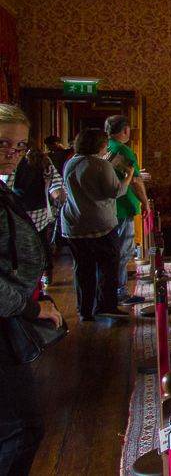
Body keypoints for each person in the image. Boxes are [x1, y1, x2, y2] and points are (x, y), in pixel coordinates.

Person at [0, 104, 63, 476]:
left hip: (10, 314)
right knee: (22, 430)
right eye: (4, 143)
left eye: (20, 146)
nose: (13, 153)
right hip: (7, 315)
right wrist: (30, 307)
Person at [61, 128, 132, 321]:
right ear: (98, 145)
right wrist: (129, 176)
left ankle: (84, 310)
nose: (107, 146)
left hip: (73, 224)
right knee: (108, 266)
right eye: (105, 143)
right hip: (99, 225)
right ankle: (105, 306)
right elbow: (115, 192)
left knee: (82, 268)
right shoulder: (101, 165)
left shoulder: (70, 162)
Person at [103, 116, 148, 307]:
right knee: (123, 251)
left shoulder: (106, 148)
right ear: (126, 130)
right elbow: (135, 180)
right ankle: (119, 291)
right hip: (122, 207)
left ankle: (109, 290)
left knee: (113, 251)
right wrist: (145, 203)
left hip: (107, 209)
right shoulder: (123, 150)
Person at [10, 149, 62, 286]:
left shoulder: (12, 160)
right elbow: (56, 182)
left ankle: (27, 274)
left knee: (21, 243)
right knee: (41, 241)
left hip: (19, 207)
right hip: (40, 206)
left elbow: (7, 185)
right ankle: (45, 272)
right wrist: (59, 197)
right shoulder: (44, 159)